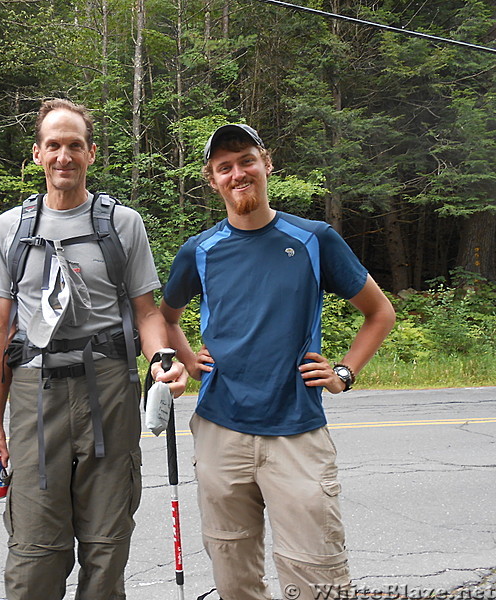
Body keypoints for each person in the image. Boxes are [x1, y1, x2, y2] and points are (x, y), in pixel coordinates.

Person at [160, 124, 396, 600]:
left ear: (266, 163)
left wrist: (344, 373)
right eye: (224, 167)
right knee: (234, 578)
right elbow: (164, 317)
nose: (237, 173)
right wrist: (188, 358)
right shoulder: (199, 251)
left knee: (318, 577)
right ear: (212, 180)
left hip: (298, 432)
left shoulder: (313, 239)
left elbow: (379, 312)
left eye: (246, 160)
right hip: (220, 431)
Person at [0, 98, 187, 600]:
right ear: (37, 154)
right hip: (33, 393)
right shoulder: (10, 228)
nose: (63, 155)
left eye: (74, 145)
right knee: (34, 550)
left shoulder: (123, 223)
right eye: (54, 145)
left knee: (106, 544)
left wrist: (162, 359)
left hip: (109, 389)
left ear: (90, 153)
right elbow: (3, 330)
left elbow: (147, 312)